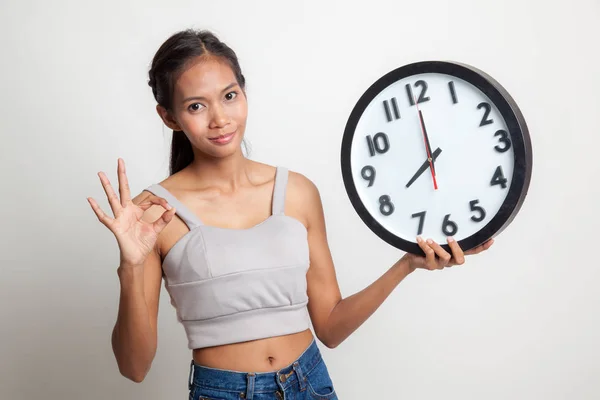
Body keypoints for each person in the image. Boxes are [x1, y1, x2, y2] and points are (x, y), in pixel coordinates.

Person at [87, 29, 494, 400]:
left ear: (244, 93)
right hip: (222, 393)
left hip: (310, 384)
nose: (220, 119)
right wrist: (131, 265)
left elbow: (330, 327)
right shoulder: (152, 213)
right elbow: (134, 368)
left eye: (230, 96)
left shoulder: (297, 191)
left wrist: (406, 265)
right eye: (197, 105)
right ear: (170, 117)